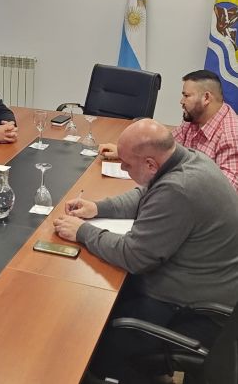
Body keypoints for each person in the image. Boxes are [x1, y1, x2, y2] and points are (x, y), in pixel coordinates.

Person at [54, 119, 238, 383]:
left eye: (127, 166)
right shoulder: (190, 160)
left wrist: (83, 232)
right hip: (203, 288)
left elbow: (134, 256)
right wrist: (98, 208)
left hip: (192, 308)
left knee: (88, 337)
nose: (125, 169)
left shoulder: (179, 189)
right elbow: (146, 194)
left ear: (151, 164)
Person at [99, 70, 238, 191]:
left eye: (186, 95)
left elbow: (227, 192)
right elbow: (163, 148)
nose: (181, 101)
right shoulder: (194, 118)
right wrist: (125, 153)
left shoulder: (231, 135)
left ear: (206, 98)